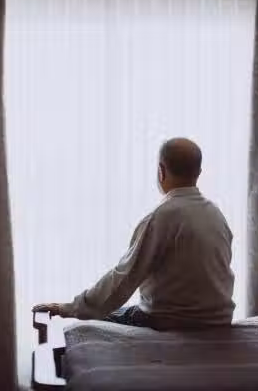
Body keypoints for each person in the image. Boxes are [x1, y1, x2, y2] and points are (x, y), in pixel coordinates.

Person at [32, 137, 235, 330]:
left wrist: (69, 308)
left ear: (161, 171)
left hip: (171, 320)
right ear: (198, 172)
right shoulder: (216, 214)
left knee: (95, 319)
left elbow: (125, 277)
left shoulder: (162, 216)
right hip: (217, 320)